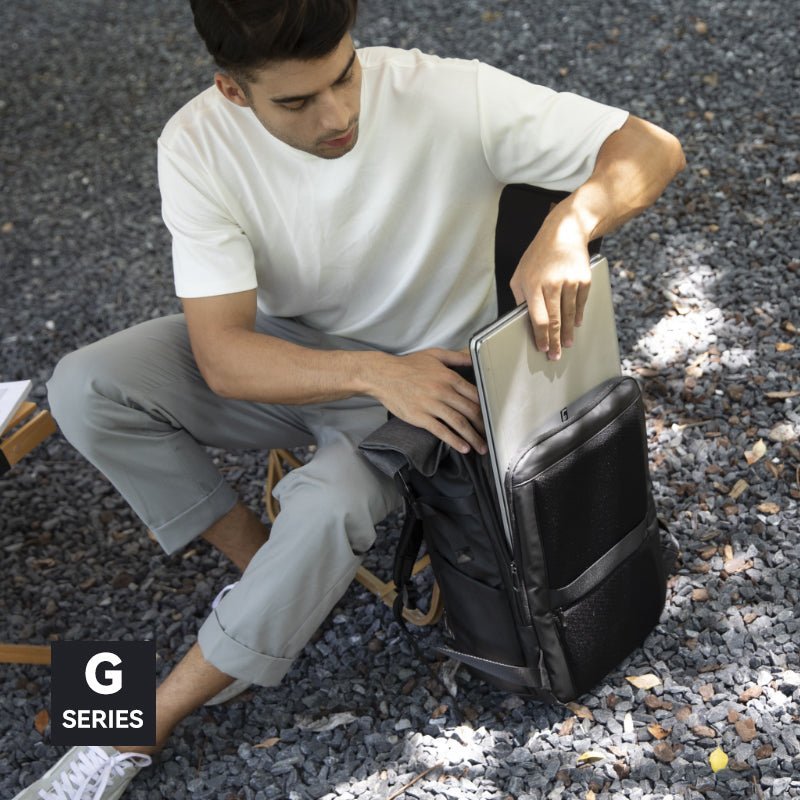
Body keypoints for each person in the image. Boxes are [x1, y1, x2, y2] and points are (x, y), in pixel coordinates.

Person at [16, 0, 685, 797]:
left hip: (427, 395)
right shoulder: (196, 143)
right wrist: (370, 370)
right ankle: (264, 571)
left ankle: (137, 724)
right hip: (300, 360)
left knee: (328, 506)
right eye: (296, 101)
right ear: (232, 90)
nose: (336, 116)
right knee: (83, 385)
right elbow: (224, 357)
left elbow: (652, 146)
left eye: (344, 76)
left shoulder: (447, 94)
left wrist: (572, 222)